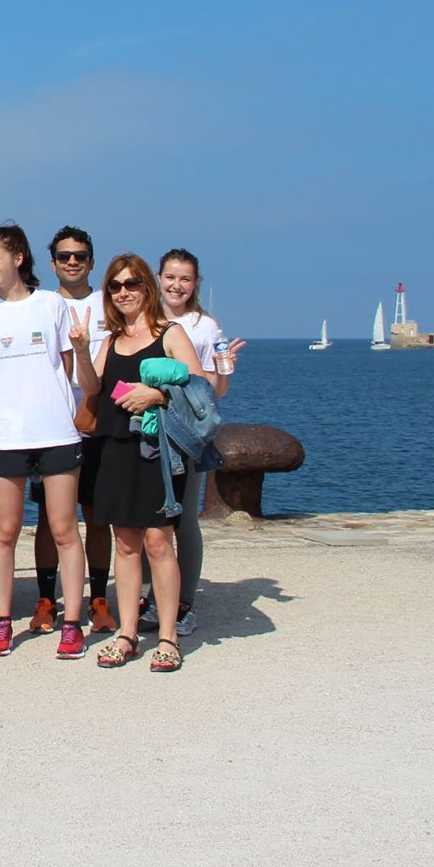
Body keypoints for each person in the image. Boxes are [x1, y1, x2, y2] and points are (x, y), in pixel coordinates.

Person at [0, 223, 98, 659]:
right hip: (6, 434)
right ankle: (3, 622)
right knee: (4, 530)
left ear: (18, 258)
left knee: (63, 529)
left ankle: (72, 624)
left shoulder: (52, 305)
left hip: (56, 430)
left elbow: (65, 364)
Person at [89, 254, 208, 673]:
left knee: (158, 542)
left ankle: (168, 637)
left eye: (132, 284)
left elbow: (200, 388)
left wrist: (156, 395)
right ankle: (127, 633)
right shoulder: (110, 341)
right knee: (125, 544)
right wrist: (80, 350)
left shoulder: (170, 333)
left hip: (159, 453)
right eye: (115, 286)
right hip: (116, 449)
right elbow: (90, 387)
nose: (123, 292)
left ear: (147, 287)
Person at [144, 248, 247, 639]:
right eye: (170, 277)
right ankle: (151, 597)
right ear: (158, 278)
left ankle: (184, 602)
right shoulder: (144, 318)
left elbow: (218, 388)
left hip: (187, 433)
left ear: (196, 283)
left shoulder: (205, 327)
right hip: (149, 430)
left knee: (184, 518)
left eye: (185, 279)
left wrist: (220, 368)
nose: (177, 286)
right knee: (148, 517)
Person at [43, 225, 116, 636]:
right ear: (52, 263)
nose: (73, 262)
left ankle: (99, 598)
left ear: (91, 261)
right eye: (64, 256)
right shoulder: (42, 304)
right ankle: (45, 598)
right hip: (52, 426)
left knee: (96, 516)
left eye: (80, 256)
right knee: (51, 519)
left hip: (99, 424)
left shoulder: (108, 303)